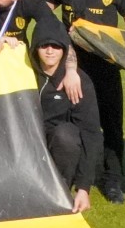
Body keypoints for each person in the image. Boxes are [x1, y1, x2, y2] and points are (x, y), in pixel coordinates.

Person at [45, 0, 125, 203]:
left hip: (107, 66)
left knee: (112, 124)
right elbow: (44, 12)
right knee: (71, 121)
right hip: (73, 68)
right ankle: (70, 173)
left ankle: (113, 179)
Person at [33, 22, 101, 215]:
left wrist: (84, 188)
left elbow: (91, 134)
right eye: (44, 45)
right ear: (35, 47)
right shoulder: (24, 74)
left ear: (64, 49)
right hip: (32, 140)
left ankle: (62, 187)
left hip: (61, 146)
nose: (50, 51)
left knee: (66, 134)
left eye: (56, 46)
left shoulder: (79, 81)